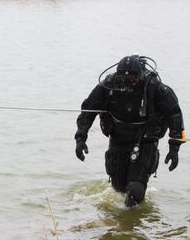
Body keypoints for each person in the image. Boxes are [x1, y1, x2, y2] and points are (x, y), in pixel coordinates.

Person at [74, 55, 184, 207]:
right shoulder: (108, 86)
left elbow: (175, 114)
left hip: (145, 141)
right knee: (118, 190)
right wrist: (80, 139)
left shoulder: (154, 88)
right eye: (122, 80)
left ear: (139, 76)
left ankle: (128, 222)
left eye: (131, 80)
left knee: (135, 191)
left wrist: (174, 148)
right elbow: (88, 110)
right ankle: (123, 225)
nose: (126, 84)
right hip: (118, 140)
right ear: (117, 76)